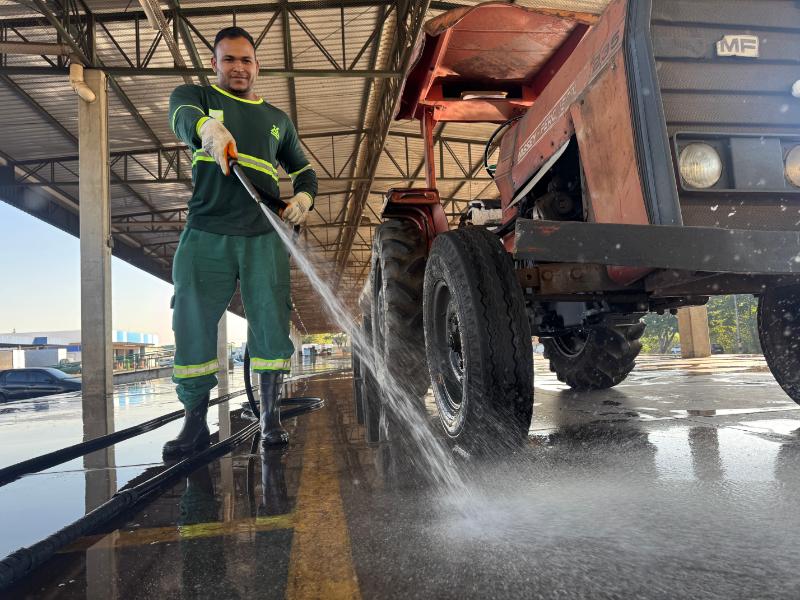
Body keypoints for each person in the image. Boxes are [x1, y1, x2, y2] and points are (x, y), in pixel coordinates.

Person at [163, 26, 317, 457]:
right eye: (228, 59)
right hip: (206, 230)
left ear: (257, 65)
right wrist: (207, 129)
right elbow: (181, 115)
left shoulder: (276, 120)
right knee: (190, 321)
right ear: (214, 64)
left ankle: (269, 418)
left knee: (269, 324)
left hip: (262, 234)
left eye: (245, 60)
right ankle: (194, 422)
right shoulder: (196, 97)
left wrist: (304, 197)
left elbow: (305, 171)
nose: (238, 67)